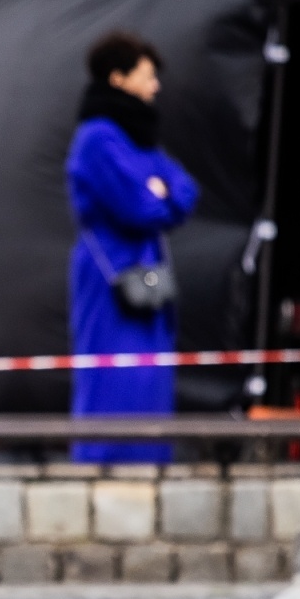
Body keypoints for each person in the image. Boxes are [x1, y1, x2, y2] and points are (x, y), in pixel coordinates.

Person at [65, 32, 198, 464]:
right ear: (119, 79)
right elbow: (140, 208)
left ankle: (147, 460)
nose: (155, 86)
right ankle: (104, 464)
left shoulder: (137, 138)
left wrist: (163, 195)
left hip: (147, 273)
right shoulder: (98, 138)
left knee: (149, 379)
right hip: (113, 278)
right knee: (113, 377)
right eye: (147, 76)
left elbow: (185, 190)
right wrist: (160, 195)